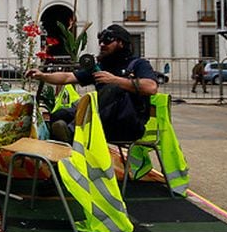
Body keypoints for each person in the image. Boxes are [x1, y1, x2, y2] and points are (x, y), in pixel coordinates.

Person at [26, 24, 157, 144]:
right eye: (100, 41)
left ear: (121, 43)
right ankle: (62, 157)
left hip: (127, 124)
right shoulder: (101, 67)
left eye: (107, 40)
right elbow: (68, 77)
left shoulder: (138, 64)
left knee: (112, 89)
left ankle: (72, 133)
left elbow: (151, 87)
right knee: (60, 115)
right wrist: (42, 76)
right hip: (102, 121)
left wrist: (115, 80)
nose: (102, 44)